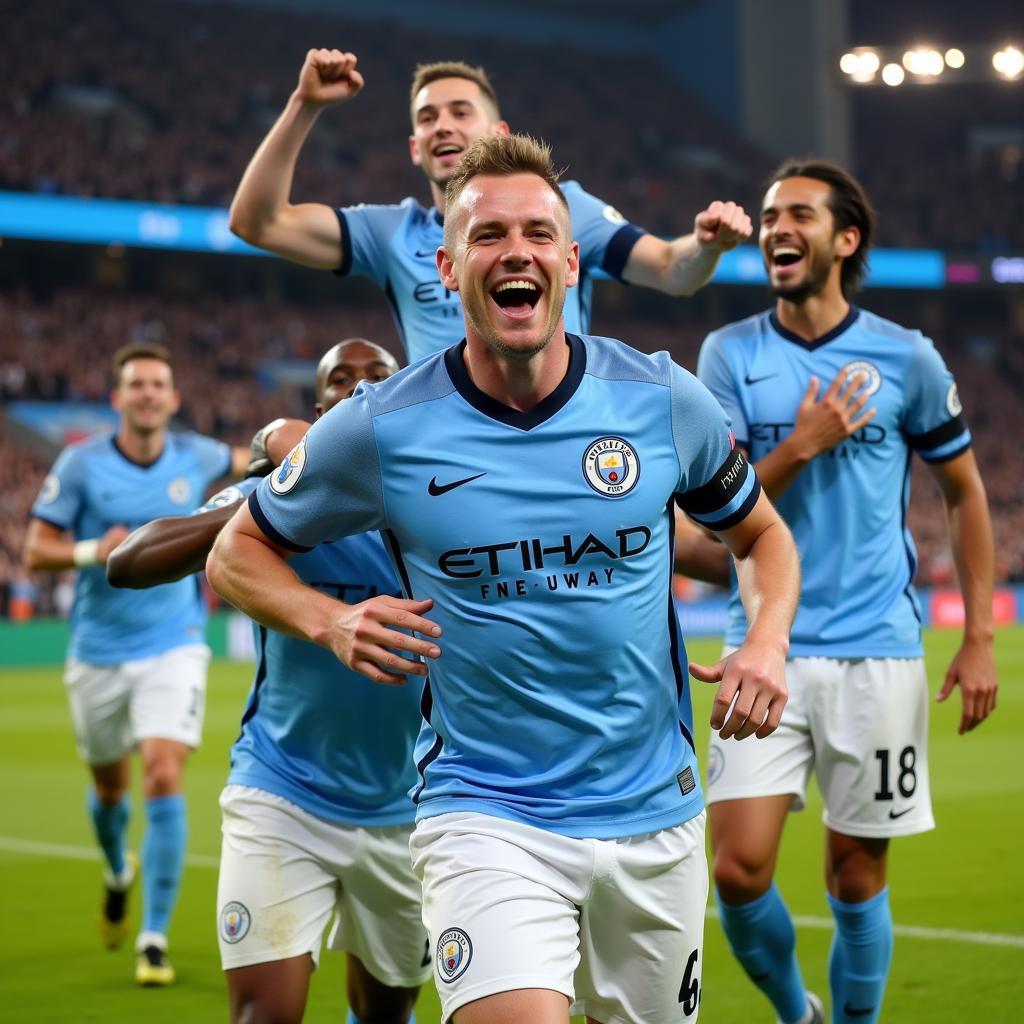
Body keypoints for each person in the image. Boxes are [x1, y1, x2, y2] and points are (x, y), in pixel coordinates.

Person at [207, 132, 800, 1024]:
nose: (513, 251)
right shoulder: (381, 428)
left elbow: (760, 536)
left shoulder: (662, 400)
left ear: (569, 261)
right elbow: (235, 551)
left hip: (654, 810)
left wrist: (765, 638)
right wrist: (327, 622)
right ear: (446, 268)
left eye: (535, 233)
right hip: (485, 813)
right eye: (487, 237)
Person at [696, 159, 999, 1024]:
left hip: (877, 651)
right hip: (764, 646)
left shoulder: (905, 356)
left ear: (845, 238)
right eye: (767, 215)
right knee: (736, 868)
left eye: (798, 214)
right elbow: (716, 506)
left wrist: (977, 636)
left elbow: (966, 491)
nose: (776, 228)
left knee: (855, 874)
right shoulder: (730, 354)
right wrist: (802, 443)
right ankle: (799, 1011)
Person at [107, 339, 430, 1024]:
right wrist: (272, 501)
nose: (359, 388)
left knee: (386, 1014)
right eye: (340, 380)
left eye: (378, 377)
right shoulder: (275, 501)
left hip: (411, 810)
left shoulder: (445, 506)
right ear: (320, 411)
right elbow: (129, 563)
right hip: (283, 793)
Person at [229, 49, 752, 365]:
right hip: (450, 457)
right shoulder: (390, 231)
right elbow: (258, 222)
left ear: (498, 132)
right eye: (428, 118)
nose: (444, 126)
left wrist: (704, 245)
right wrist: (305, 105)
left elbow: (670, 270)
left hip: (564, 434)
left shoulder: (563, 208)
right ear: (415, 147)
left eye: (460, 112)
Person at [24, 342, 250, 987]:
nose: (148, 394)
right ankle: (117, 870)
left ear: (174, 399)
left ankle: (153, 936)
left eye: (158, 384)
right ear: (117, 397)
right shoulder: (81, 464)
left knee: (160, 772)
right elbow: (36, 549)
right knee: (110, 790)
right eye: (136, 385)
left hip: (174, 642)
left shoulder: (197, 455)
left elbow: (259, 457)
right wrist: (99, 549)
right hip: (96, 650)